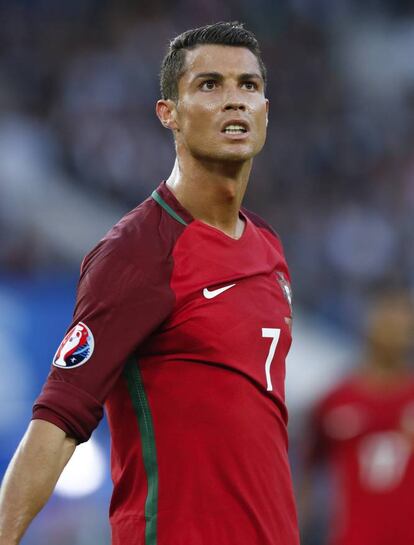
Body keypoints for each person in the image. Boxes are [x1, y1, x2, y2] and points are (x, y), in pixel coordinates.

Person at [0, 22, 299, 545]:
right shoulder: (138, 253)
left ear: (266, 112)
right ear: (169, 114)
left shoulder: (269, 250)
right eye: (209, 85)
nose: (234, 101)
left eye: (248, 86)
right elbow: (57, 419)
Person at [300, 292, 414, 545]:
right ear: (369, 324)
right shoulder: (335, 401)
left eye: (403, 324)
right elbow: (307, 470)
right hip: (352, 537)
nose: (395, 331)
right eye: (388, 321)